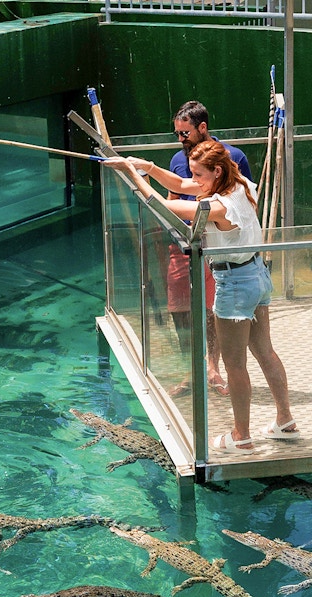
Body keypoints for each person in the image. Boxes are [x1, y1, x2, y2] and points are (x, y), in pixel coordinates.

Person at [102, 140, 300, 454]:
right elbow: (180, 185)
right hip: (257, 275)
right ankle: (285, 421)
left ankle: (241, 436)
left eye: (199, 174)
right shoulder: (242, 185)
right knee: (265, 351)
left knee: (235, 365)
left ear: (216, 170)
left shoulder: (219, 207)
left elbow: (159, 204)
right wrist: (149, 167)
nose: (193, 180)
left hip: (234, 284)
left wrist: (129, 171)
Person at [168, 101, 253, 397]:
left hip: (216, 248)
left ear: (202, 128)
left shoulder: (233, 157)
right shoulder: (179, 160)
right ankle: (191, 369)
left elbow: (245, 202)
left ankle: (212, 367)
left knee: (212, 307)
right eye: (177, 133)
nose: (181, 139)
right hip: (183, 242)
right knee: (178, 305)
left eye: (185, 132)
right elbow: (175, 192)